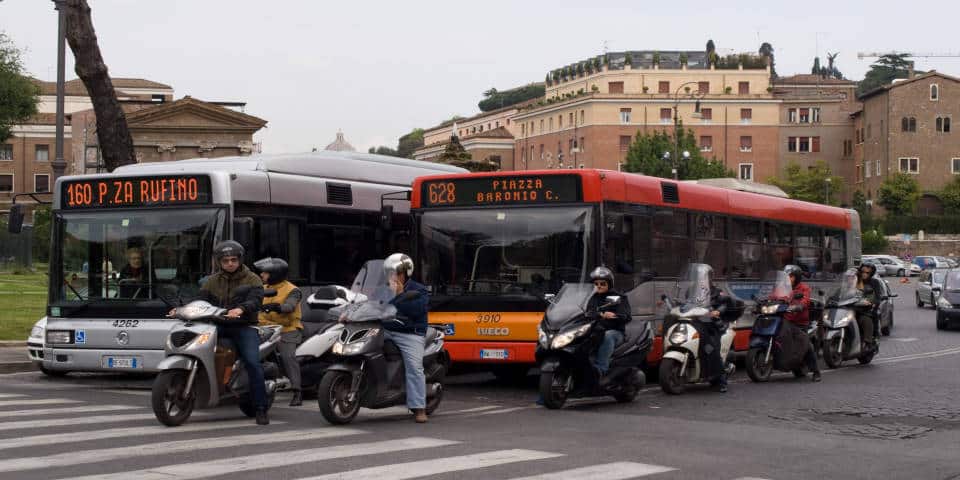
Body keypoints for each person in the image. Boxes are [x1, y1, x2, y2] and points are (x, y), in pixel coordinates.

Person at [170, 240, 268, 425]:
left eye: (233, 259)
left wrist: (242, 309)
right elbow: (200, 300)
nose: (230, 263)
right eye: (225, 260)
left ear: (239, 259)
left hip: (243, 326)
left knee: (253, 363)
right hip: (217, 325)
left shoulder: (252, 279)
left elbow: (256, 300)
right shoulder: (211, 281)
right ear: (219, 262)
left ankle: (261, 408)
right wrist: (182, 309)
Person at [381, 252, 430, 423]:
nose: (392, 276)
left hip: (410, 333)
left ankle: (419, 408)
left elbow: (417, 311)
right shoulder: (383, 289)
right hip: (386, 330)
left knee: (415, 368)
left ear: (406, 273)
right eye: (390, 272)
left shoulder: (418, 290)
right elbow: (369, 303)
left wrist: (400, 294)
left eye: (396, 273)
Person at [255, 257, 304, 407]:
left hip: (286, 329)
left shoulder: (293, 290)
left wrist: (278, 307)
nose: (262, 275)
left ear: (275, 274)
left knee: (287, 357)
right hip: (263, 328)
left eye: (265, 273)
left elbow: (289, 306)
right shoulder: (262, 288)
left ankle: (297, 392)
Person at [686, 264, 736, 393]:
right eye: (699, 277)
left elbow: (724, 303)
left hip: (712, 325)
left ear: (710, 278)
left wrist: (718, 311)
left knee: (711, 349)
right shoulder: (691, 291)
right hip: (696, 323)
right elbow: (685, 304)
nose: (701, 279)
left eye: (704, 277)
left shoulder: (716, 291)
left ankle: (722, 380)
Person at [586, 266, 631, 381]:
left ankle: (601, 369)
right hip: (596, 329)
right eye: (596, 284)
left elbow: (626, 316)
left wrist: (615, 316)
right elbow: (587, 312)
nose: (599, 286)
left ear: (609, 284)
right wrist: (600, 315)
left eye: (602, 283)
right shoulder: (592, 298)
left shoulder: (619, 297)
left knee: (608, 336)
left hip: (615, 332)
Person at [783, 265, 821, 382]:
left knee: (806, 345)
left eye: (791, 277)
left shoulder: (804, 288)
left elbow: (806, 300)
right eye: (786, 276)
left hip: (800, 322)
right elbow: (774, 296)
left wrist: (800, 306)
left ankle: (816, 371)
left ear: (797, 277)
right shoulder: (783, 287)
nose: (788, 279)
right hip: (785, 320)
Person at [856, 263, 883, 352]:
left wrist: (873, 303)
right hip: (852, 307)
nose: (864, 274)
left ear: (871, 274)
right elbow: (844, 290)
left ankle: (868, 342)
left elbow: (878, 297)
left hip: (866, 309)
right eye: (863, 272)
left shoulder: (874, 282)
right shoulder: (855, 281)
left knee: (865, 319)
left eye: (867, 273)